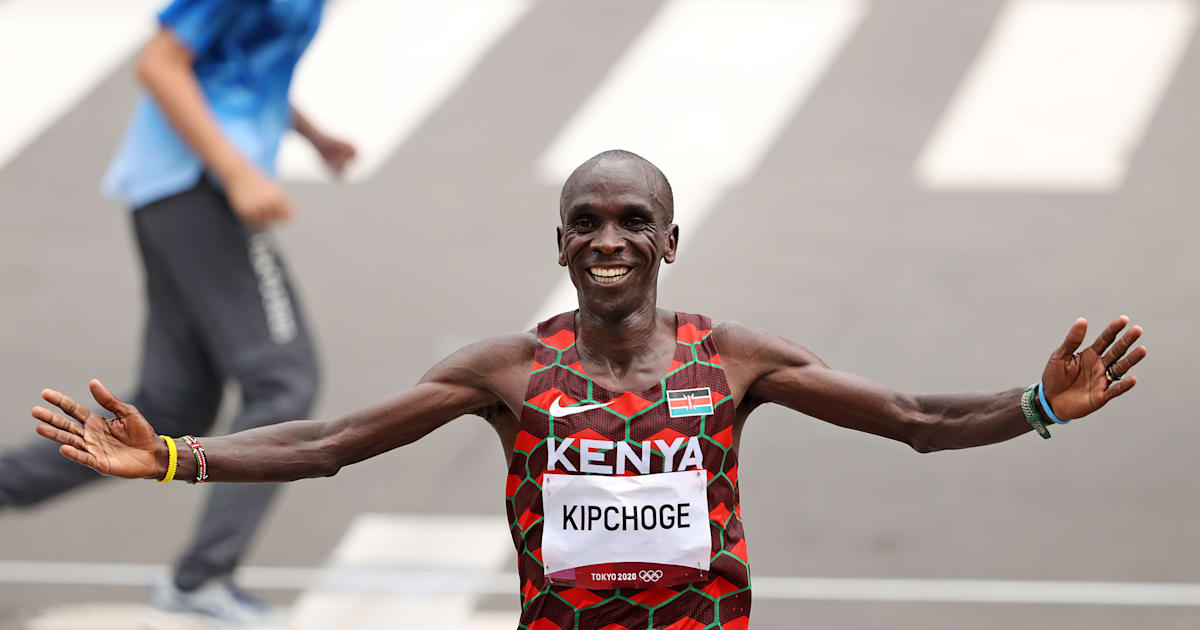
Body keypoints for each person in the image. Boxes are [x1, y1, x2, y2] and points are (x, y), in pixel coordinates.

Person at [30, 150, 1146, 629]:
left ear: (668, 239)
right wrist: (172, 454)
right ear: (560, 243)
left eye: (630, 222)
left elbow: (912, 421)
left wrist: (1036, 403)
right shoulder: (508, 372)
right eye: (586, 222)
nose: (607, 238)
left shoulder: (733, 359)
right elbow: (330, 442)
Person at [2, 0, 354, 623]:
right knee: (282, 381)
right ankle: (201, 579)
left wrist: (311, 133)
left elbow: (242, 66)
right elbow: (161, 64)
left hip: (183, 192)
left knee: (173, 405)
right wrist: (237, 171)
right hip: (197, 187)